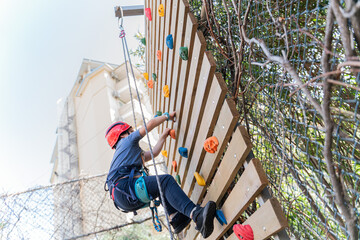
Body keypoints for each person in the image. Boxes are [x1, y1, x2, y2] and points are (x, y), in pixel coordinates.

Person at [105, 112, 216, 238]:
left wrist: (163, 136)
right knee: (165, 181)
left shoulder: (127, 153)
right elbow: (150, 124)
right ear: (123, 134)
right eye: (131, 130)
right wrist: (167, 116)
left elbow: (153, 153)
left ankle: (176, 218)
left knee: (159, 189)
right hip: (125, 187)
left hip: (124, 199)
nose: (133, 131)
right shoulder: (127, 142)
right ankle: (196, 215)